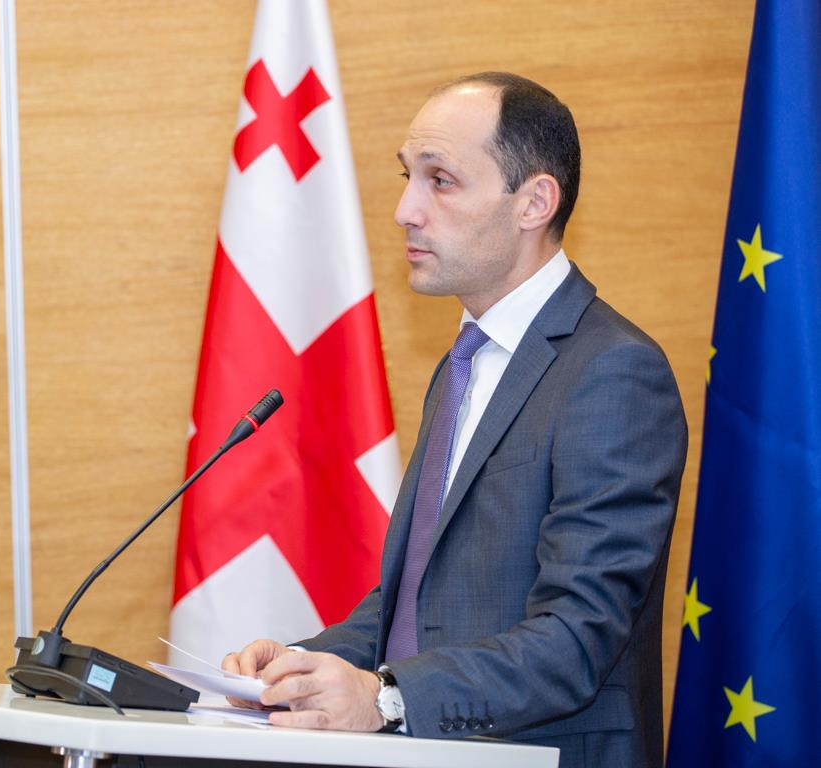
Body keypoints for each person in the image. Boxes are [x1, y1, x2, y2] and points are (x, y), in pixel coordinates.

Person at [222, 72, 687, 768]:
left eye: (440, 181)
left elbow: (578, 635)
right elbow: (419, 603)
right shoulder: (464, 363)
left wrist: (385, 698)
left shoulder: (613, 371)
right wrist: (299, 667)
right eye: (408, 176)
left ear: (534, 202)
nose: (405, 210)